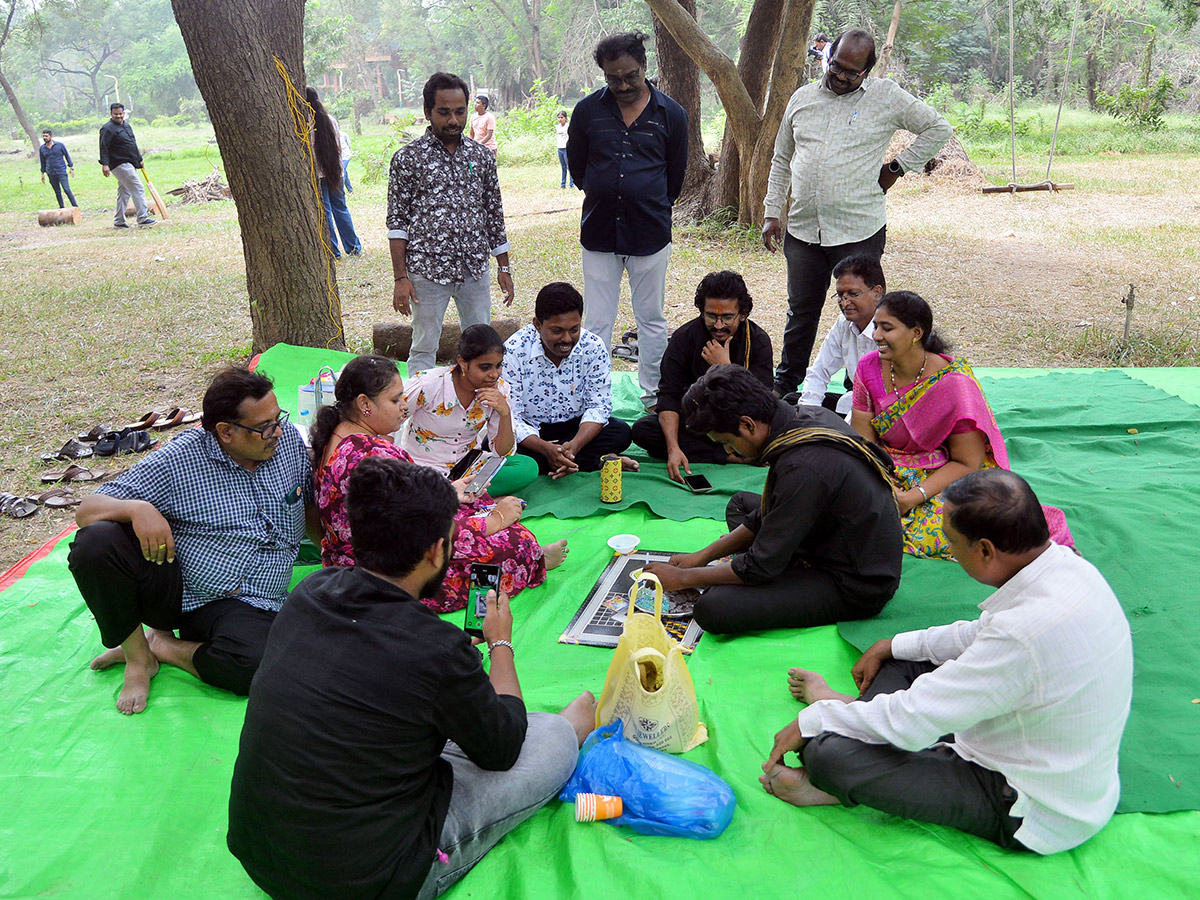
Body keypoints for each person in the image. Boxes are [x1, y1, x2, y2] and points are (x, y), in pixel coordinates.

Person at [228, 456, 597, 900]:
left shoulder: (310, 592)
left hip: (261, 858)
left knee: (430, 715)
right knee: (550, 734)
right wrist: (501, 644)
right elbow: (502, 750)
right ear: (437, 552)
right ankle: (566, 734)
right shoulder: (437, 648)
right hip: (369, 880)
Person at [762, 469, 1133, 855]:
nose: (951, 553)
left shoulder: (1023, 634)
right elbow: (977, 635)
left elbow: (911, 721)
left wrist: (816, 718)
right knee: (901, 659)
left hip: (1027, 806)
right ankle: (852, 711)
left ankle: (832, 776)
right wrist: (892, 643)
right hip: (1025, 738)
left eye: (953, 543)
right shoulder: (1067, 568)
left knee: (828, 754)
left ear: (986, 550)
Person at [67, 368, 314, 714]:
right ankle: (140, 657)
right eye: (264, 427)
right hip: (189, 593)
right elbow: (87, 509)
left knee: (259, 664)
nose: (277, 431)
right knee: (96, 542)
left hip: (257, 599)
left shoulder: (288, 442)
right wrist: (137, 509)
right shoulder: (182, 458)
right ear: (225, 432)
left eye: (278, 418)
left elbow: (311, 508)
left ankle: (164, 647)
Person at [643, 365, 902, 634]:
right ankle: (781, 565)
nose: (730, 452)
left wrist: (684, 577)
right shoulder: (804, 417)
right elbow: (767, 512)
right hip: (829, 534)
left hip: (855, 581)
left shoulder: (802, 466)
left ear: (747, 425)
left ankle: (790, 571)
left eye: (728, 443)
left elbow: (759, 566)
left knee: (713, 607)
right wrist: (703, 556)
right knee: (741, 505)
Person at [762, 29, 951, 395]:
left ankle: (861, 388)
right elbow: (782, 158)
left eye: (852, 71)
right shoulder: (802, 99)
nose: (840, 75)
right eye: (836, 65)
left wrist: (896, 168)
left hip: (858, 230)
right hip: (803, 229)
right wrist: (773, 211)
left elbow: (937, 127)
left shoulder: (885, 96)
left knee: (862, 315)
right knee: (801, 311)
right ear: (828, 57)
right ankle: (786, 384)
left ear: (868, 70)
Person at [311, 354, 565, 614]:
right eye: (395, 399)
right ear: (365, 403)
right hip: (385, 569)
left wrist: (449, 492)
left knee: (477, 501)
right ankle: (535, 558)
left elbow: (399, 505)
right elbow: (416, 528)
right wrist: (494, 521)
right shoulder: (376, 452)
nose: (403, 405)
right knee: (516, 541)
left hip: (360, 554)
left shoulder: (338, 434)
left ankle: (529, 550)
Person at [850, 290, 1073, 559]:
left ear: (916, 333)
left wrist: (912, 497)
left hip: (941, 475)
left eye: (887, 328)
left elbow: (968, 462)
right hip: (885, 467)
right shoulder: (868, 367)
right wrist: (884, 484)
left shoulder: (954, 383)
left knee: (950, 532)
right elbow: (864, 442)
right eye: (875, 326)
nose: (875, 336)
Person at [567, 31, 688, 408]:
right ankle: (595, 394)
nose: (622, 85)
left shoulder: (672, 114)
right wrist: (604, 191)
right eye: (613, 78)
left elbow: (675, 176)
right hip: (599, 232)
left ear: (644, 67)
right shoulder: (587, 112)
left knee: (650, 318)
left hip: (649, 232)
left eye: (630, 76)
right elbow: (579, 168)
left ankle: (653, 394)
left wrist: (646, 199)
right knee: (598, 320)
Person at [388, 72, 513, 376]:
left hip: (474, 270)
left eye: (460, 111)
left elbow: (493, 213)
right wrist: (400, 278)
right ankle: (419, 413)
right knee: (423, 347)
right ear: (427, 112)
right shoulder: (407, 159)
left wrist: (503, 267)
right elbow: (397, 222)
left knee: (482, 346)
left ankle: (480, 412)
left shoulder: (481, 157)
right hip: (427, 273)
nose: (453, 120)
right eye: (444, 112)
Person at [631, 270, 773, 482]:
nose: (718, 325)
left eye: (727, 317)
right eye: (711, 316)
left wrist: (725, 367)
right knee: (644, 430)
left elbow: (763, 402)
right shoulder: (684, 339)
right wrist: (673, 448)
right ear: (701, 311)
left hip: (740, 426)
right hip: (697, 426)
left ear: (742, 314)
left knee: (773, 430)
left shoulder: (758, 341)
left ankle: (729, 451)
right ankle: (730, 456)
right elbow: (668, 396)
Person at [504, 282, 637, 479]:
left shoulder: (593, 346)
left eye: (574, 329)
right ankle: (597, 460)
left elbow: (599, 406)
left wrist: (574, 446)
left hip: (577, 429)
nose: (567, 339)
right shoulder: (513, 351)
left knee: (621, 432)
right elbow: (511, 416)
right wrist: (545, 448)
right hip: (532, 433)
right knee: (499, 447)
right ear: (537, 325)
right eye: (557, 331)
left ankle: (561, 460)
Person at [401, 324, 540, 496]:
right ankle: (462, 496)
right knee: (406, 486)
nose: (494, 374)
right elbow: (388, 420)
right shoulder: (427, 384)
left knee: (527, 467)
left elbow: (502, 452)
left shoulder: (500, 390)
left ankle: (452, 497)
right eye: (485, 367)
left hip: (468, 468)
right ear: (463, 363)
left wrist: (504, 412)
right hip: (423, 470)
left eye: (498, 366)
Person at [797, 254, 884, 417]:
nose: (844, 303)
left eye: (853, 294)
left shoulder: (894, 327)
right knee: (793, 402)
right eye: (840, 295)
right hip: (857, 406)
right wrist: (808, 415)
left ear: (877, 292)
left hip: (889, 414)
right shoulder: (844, 323)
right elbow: (819, 371)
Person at [307, 86, 362, 258]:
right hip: (336, 171)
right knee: (341, 209)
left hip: (318, 173)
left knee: (326, 212)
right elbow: (338, 146)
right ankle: (353, 247)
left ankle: (332, 251)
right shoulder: (330, 119)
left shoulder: (306, 122)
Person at [98, 102, 155, 228]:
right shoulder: (107, 128)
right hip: (118, 163)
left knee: (124, 192)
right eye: (115, 114)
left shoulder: (127, 126)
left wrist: (139, 159)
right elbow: (103, 147)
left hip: (130, 162)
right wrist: (105, 164)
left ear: (124, 113)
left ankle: (119, 221)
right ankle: (142, 218)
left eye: (120, 114)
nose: (118, 116)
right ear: (111, 114)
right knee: (138, 187)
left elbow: (132, 144)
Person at [39, 129, 78, 208]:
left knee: (66, 189)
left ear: (51, 136)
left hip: (61, 171)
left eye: (46, 136)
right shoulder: (42, 148)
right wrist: (42, 173)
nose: (44, 138)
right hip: (50, 172)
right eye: (43, 136)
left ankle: (75, 207)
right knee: (57, 192)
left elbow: (67, 156)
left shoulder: (60, 145)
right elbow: (42, 161)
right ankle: (62, 208)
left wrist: (71, 167)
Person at [554, 110, 573, 189]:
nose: (560, 119)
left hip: (566, 148)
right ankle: (563, 184)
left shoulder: (568, 126)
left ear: (565, 118)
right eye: (558, 117)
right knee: (563, 167)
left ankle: (571, 184)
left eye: (562, 117)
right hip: (560, 148)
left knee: (569, 167)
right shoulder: (557, 127)